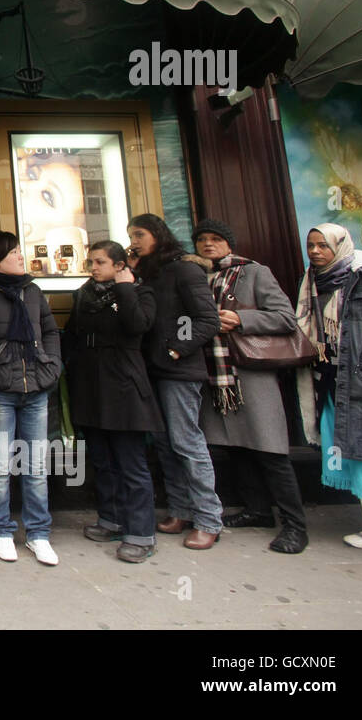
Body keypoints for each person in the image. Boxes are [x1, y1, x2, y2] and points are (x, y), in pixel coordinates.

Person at [192, 219, 308, 554]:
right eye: (202, 240)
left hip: (250, 374)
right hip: (215, 376)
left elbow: (285, 317)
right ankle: (257, 511)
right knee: (234, 448)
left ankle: (295, 526)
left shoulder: (255, 272)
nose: (208, 245)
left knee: (270, 451)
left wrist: (243, 319)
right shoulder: (199, 276)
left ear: (229, 243)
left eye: (215, 239)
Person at [0, 230, 62, 566]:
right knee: (0, 465)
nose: (21, 256)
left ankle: (38, 534)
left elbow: (49, 332)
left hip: (35, 389)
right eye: (15, 252)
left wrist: (52, 368)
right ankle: (2, 531)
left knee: (35, 466)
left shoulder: (32, 291)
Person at [127, 213, 223, 550]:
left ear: (157, 234)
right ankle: (181, 509)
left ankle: (210, 518)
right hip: (152, 369)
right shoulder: (147, 273)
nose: (134, 240)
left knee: (187, 442)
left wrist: (175, 352)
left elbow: (208, 320)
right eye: (131, 235)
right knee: (165, 445)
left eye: (139, 234)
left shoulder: (184, 269)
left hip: (178, 370)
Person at [63, 240, 162, 563]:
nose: (93, 268)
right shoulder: (84, 294)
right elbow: (72, 336)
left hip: (124, 386)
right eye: (91, 262)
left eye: (100, 262)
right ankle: (111, 518)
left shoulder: (139, 292)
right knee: (103, 460)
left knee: (131, 463)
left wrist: (126, 290)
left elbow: (138, 326)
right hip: (91, 384)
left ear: (119, 265)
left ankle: (142, 532)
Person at [294, 223, 362, 550]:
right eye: (311, 245)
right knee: (356, 455)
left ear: (341, 245)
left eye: (323, 245)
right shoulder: (312, 282)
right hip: (332, 379)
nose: (316, 251)